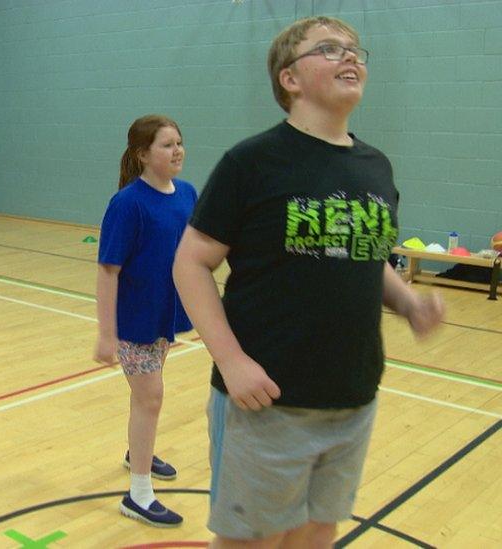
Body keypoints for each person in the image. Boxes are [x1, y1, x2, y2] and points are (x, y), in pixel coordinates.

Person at [173, 16, 445, 548]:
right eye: (329, 49)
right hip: (267, 402)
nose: (350, 57)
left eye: (354, 50)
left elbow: (364, 257)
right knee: (254, 541)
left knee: (318, 532)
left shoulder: (376, 167)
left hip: (353, 396)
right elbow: (190, 263)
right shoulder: (251, 162)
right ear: (289, 79)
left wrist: (409, 302)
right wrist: (231, 360)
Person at [94, 114, 197, 528]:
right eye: (167, 145)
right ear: (142, 154)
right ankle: (138, 495)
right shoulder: (127, 204)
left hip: (164, 315)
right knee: (151, 397)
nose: (177, 151)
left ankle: (137, 450)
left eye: (179, 142)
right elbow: (107, 271)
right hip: (133, 321)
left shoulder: (187, 193)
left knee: (146, 400)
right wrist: (106, 333)